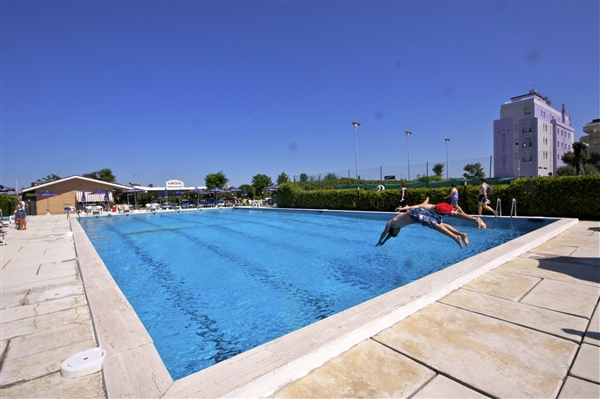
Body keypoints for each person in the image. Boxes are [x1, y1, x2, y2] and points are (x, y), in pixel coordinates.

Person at [375, 207, 469, 249]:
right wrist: (384, 242)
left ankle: (455, 237)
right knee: (440, 223)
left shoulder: (391, 223)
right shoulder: (396, 226)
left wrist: (380, 241)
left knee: (435, 225)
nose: (398, 232)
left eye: (396, 233)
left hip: (414, 215)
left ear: (392, 230)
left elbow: (385, 233)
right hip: (417, 212)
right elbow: (389, 235)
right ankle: (461, 234)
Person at [396, 198, 487, 229]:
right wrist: (427, 198)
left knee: (456, 215)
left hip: (439, 208)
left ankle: (476, 220)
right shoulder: (425, 204)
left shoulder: (421, 206)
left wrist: (401, 209)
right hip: (443, 204)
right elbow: (426, 200)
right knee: (458, 214)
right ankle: (476, 219)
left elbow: (411, 207)